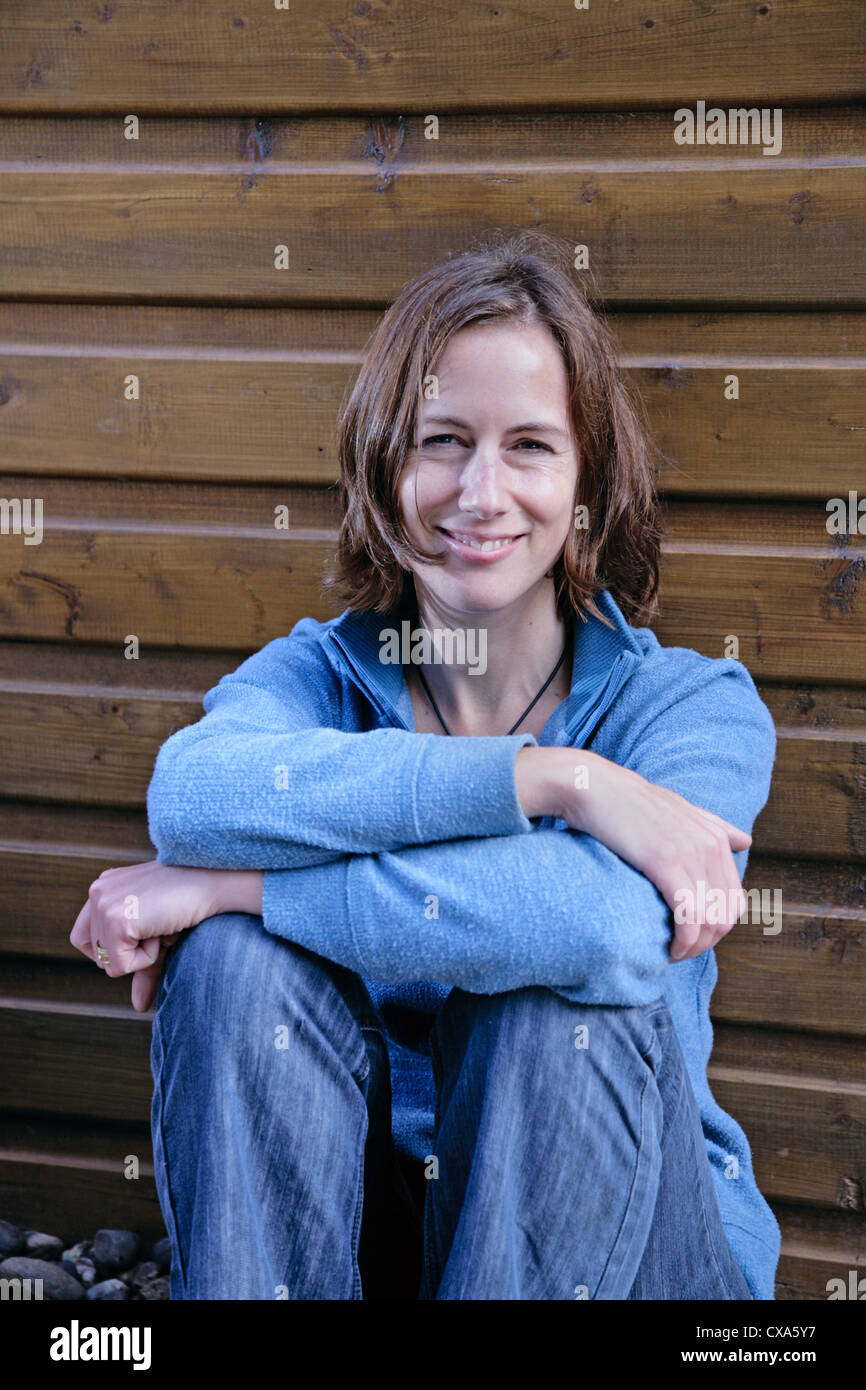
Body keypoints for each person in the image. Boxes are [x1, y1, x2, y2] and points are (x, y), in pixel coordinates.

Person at [71, 230, 780, 1300]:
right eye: (441, 440)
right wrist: (549, 781)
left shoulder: (686, 707)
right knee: (228, 965)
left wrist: (232, 886)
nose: (480, 493)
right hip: (380, 1237)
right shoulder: (317, 674)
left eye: (530, 446)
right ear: (383, 466)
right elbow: (191, 793)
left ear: (588, 476)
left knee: (550, 1006)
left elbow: (590, 926)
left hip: (638, 1255)